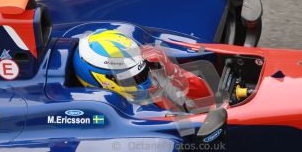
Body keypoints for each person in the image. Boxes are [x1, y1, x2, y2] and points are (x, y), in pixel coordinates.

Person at [73, 29, 214, 112]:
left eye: (142, 71)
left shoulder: (147, 91)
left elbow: (207, 100)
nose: (144, 83)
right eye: (130, 77)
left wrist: (171, 70)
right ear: (103, 80)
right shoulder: (105, 113)